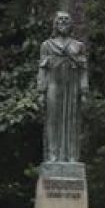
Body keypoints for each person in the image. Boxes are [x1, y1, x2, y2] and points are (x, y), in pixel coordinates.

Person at [37, 10, 89, 164]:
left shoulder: (78, 46)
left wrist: (84, 90)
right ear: (55, 23)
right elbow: (42, 69)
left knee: (72, 121)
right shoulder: (47, 45)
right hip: (53, 84)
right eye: (60, 20)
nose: (63, 22)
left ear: (71, 23)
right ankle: (53, 155)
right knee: (53, 121)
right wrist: (41, 92)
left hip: (72, 87)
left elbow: (83, 70)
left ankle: (71, 156)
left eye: (66, 20)